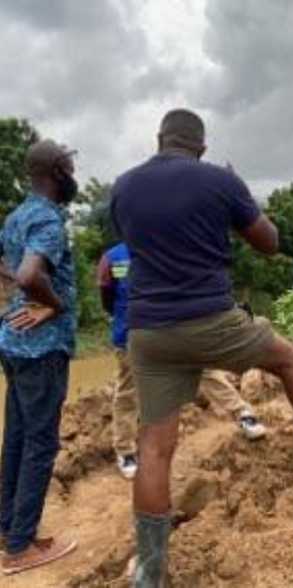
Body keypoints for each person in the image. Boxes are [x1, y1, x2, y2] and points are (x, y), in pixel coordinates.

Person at [110, 109, 293, 586]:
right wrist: (239, 191)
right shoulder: (218, 181)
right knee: (288, 360)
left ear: (159, 139)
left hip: (149, 332)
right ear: (202, 147)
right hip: (212, 320)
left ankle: (150, 571)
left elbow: (140, 245)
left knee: (155, 447)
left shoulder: (123, 187)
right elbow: (269, 242)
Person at [97, 242, 267, 480]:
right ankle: (125, 452)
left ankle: (243, 415)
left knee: (204, 371)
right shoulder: (113, 258)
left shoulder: (169, 247)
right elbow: (106, 296)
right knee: (128, 392)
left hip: (174, 329)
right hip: (131, 335)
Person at [0, 139, 80, 574]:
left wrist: (19, 297)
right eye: (69, 169)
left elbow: (10, 269)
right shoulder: (47, 218)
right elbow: (30, 274)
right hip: (42, 346)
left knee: (16, 437)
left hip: (13, 342)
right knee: (40, 443)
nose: (72, 177)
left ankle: (10, 532)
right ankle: (19, 549)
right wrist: (55, 304)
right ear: (57, 173)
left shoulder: (16, 216)